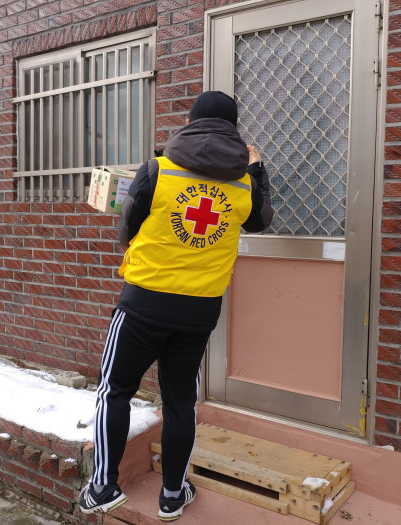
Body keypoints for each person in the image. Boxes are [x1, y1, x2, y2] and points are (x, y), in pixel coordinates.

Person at [79, 91, 272, 521]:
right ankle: (172, 495)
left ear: (190, 122)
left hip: (144, 302)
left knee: (115, 390)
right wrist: (257, 169)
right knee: (180, 401)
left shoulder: (159, 170)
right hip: (199, 310)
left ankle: (103, 486)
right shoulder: (243, 183)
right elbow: (261, 222)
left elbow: (127, 228)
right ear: (233, 130)